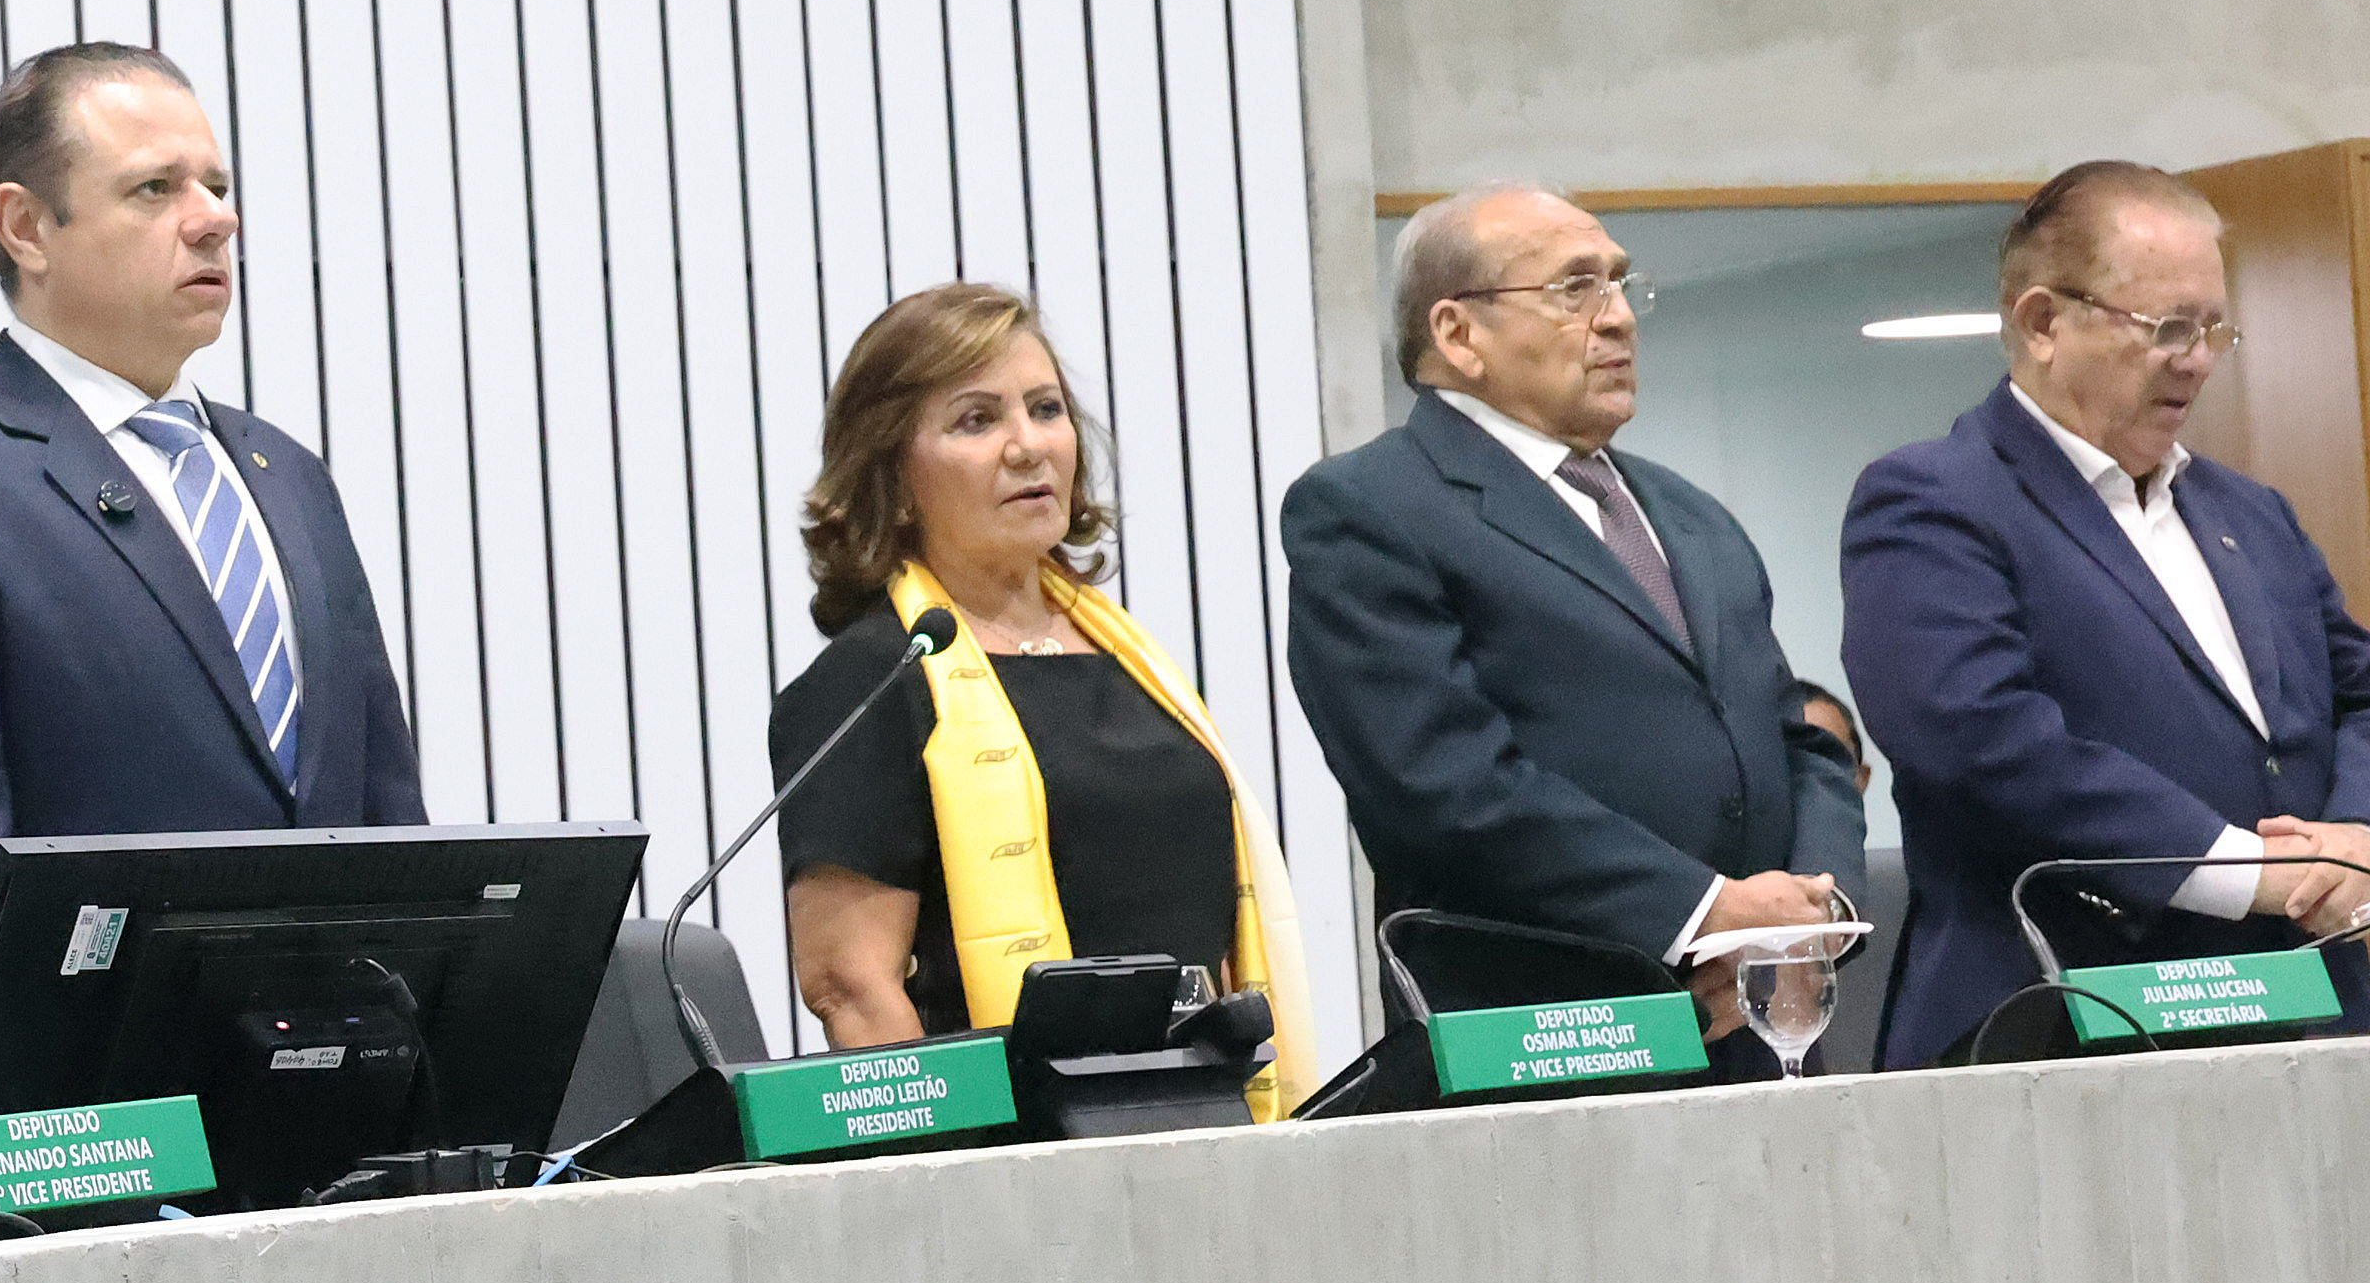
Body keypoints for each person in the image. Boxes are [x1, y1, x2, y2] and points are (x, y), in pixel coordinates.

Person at [0, 43, 423, 1108]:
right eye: (155, 188)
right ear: (27, 227)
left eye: (216, 185)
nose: (214, 217)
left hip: (340, 1147)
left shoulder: (291, 482)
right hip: (101, 1170)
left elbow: (387, 831)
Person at [1843, 161, 2370, 1070]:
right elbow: (1977, 735)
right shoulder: (1934, 501)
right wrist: (2243, 870)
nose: (2195, 359)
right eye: (2165, 328)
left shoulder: (2252, 514)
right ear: (2044, 322)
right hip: (2061, 1029)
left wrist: (2367, 841)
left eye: (2211, 329)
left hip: (2309, 1021)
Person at [1282, 187, 1865, 1067]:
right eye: (1575, 287)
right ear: (1457, 334)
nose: (1620, 319)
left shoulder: (1690, 513)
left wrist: (1810, 920)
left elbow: (1801, 744)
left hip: (1760, 1022)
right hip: (1549, 1036)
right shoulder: (1370, 509)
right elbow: (1444, 785)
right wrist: (1704, 915)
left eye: (1623, 284)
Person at [764, 285, 1325, 1107]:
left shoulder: (1128, 657)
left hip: (1201, 1115)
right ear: (894, 472)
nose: (1028, 446)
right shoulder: (876, 678)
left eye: (1045, 408)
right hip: (1008, 1158)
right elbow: (851, 986)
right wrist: (962, 1172)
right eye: (976, 421)